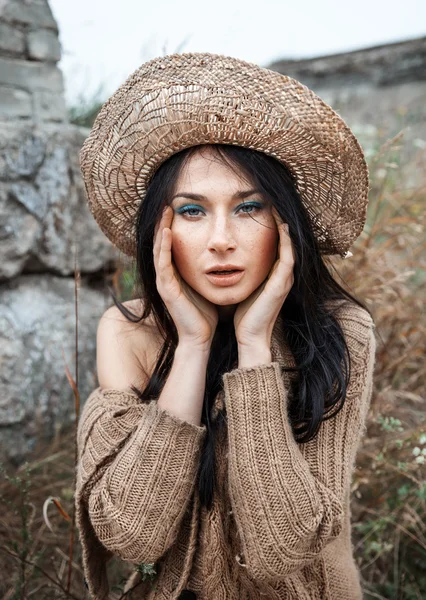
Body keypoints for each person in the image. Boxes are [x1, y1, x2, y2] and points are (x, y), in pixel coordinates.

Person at [75, 52, 377, 600]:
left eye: (248, 207)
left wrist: (254, 346)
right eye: (192, 210)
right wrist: (193, 344)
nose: (220, 239)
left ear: (286, 224)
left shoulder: (340, 331)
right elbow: (131, 535)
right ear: (159, 231)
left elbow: (281, 548)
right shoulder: (129, 333)